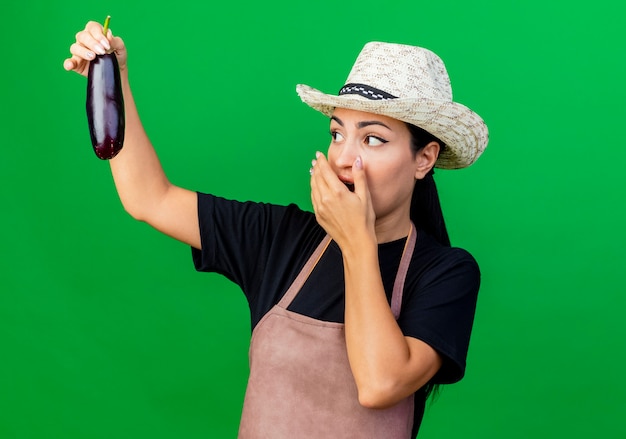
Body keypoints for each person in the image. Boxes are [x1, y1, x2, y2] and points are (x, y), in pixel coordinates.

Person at [64, 20, 489, 439]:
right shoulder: (280, 238)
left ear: (424, 159)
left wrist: (357, 241)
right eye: (337, 134)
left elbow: (380, 384)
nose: (343, 158)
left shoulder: (445, 273)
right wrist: (112, 79)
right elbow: (149, 198)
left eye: (373, 139)